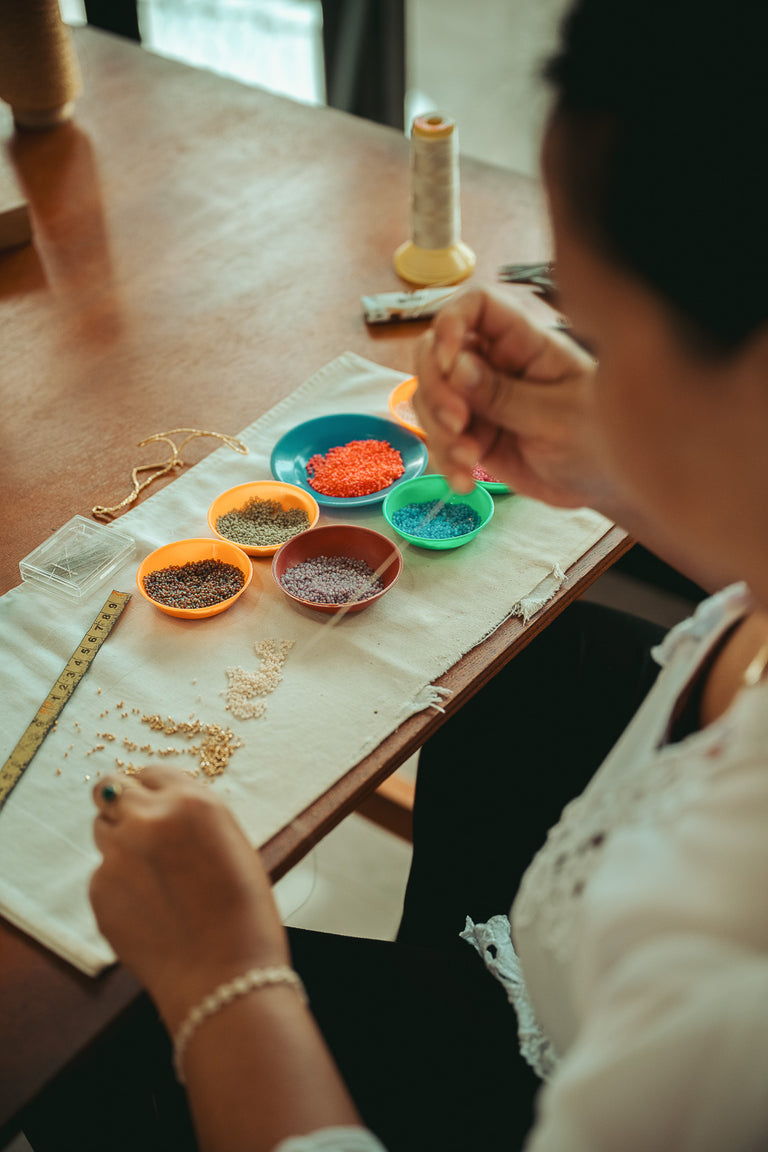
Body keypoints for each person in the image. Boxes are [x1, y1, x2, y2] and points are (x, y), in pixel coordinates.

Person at [22, 0, 768, 1148]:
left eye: (603, 327)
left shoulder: (724, 1007)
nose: (578, 354)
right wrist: (613, 456)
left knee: (81, 1037)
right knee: (521, 672)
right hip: (540, 962)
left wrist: (223, 976)